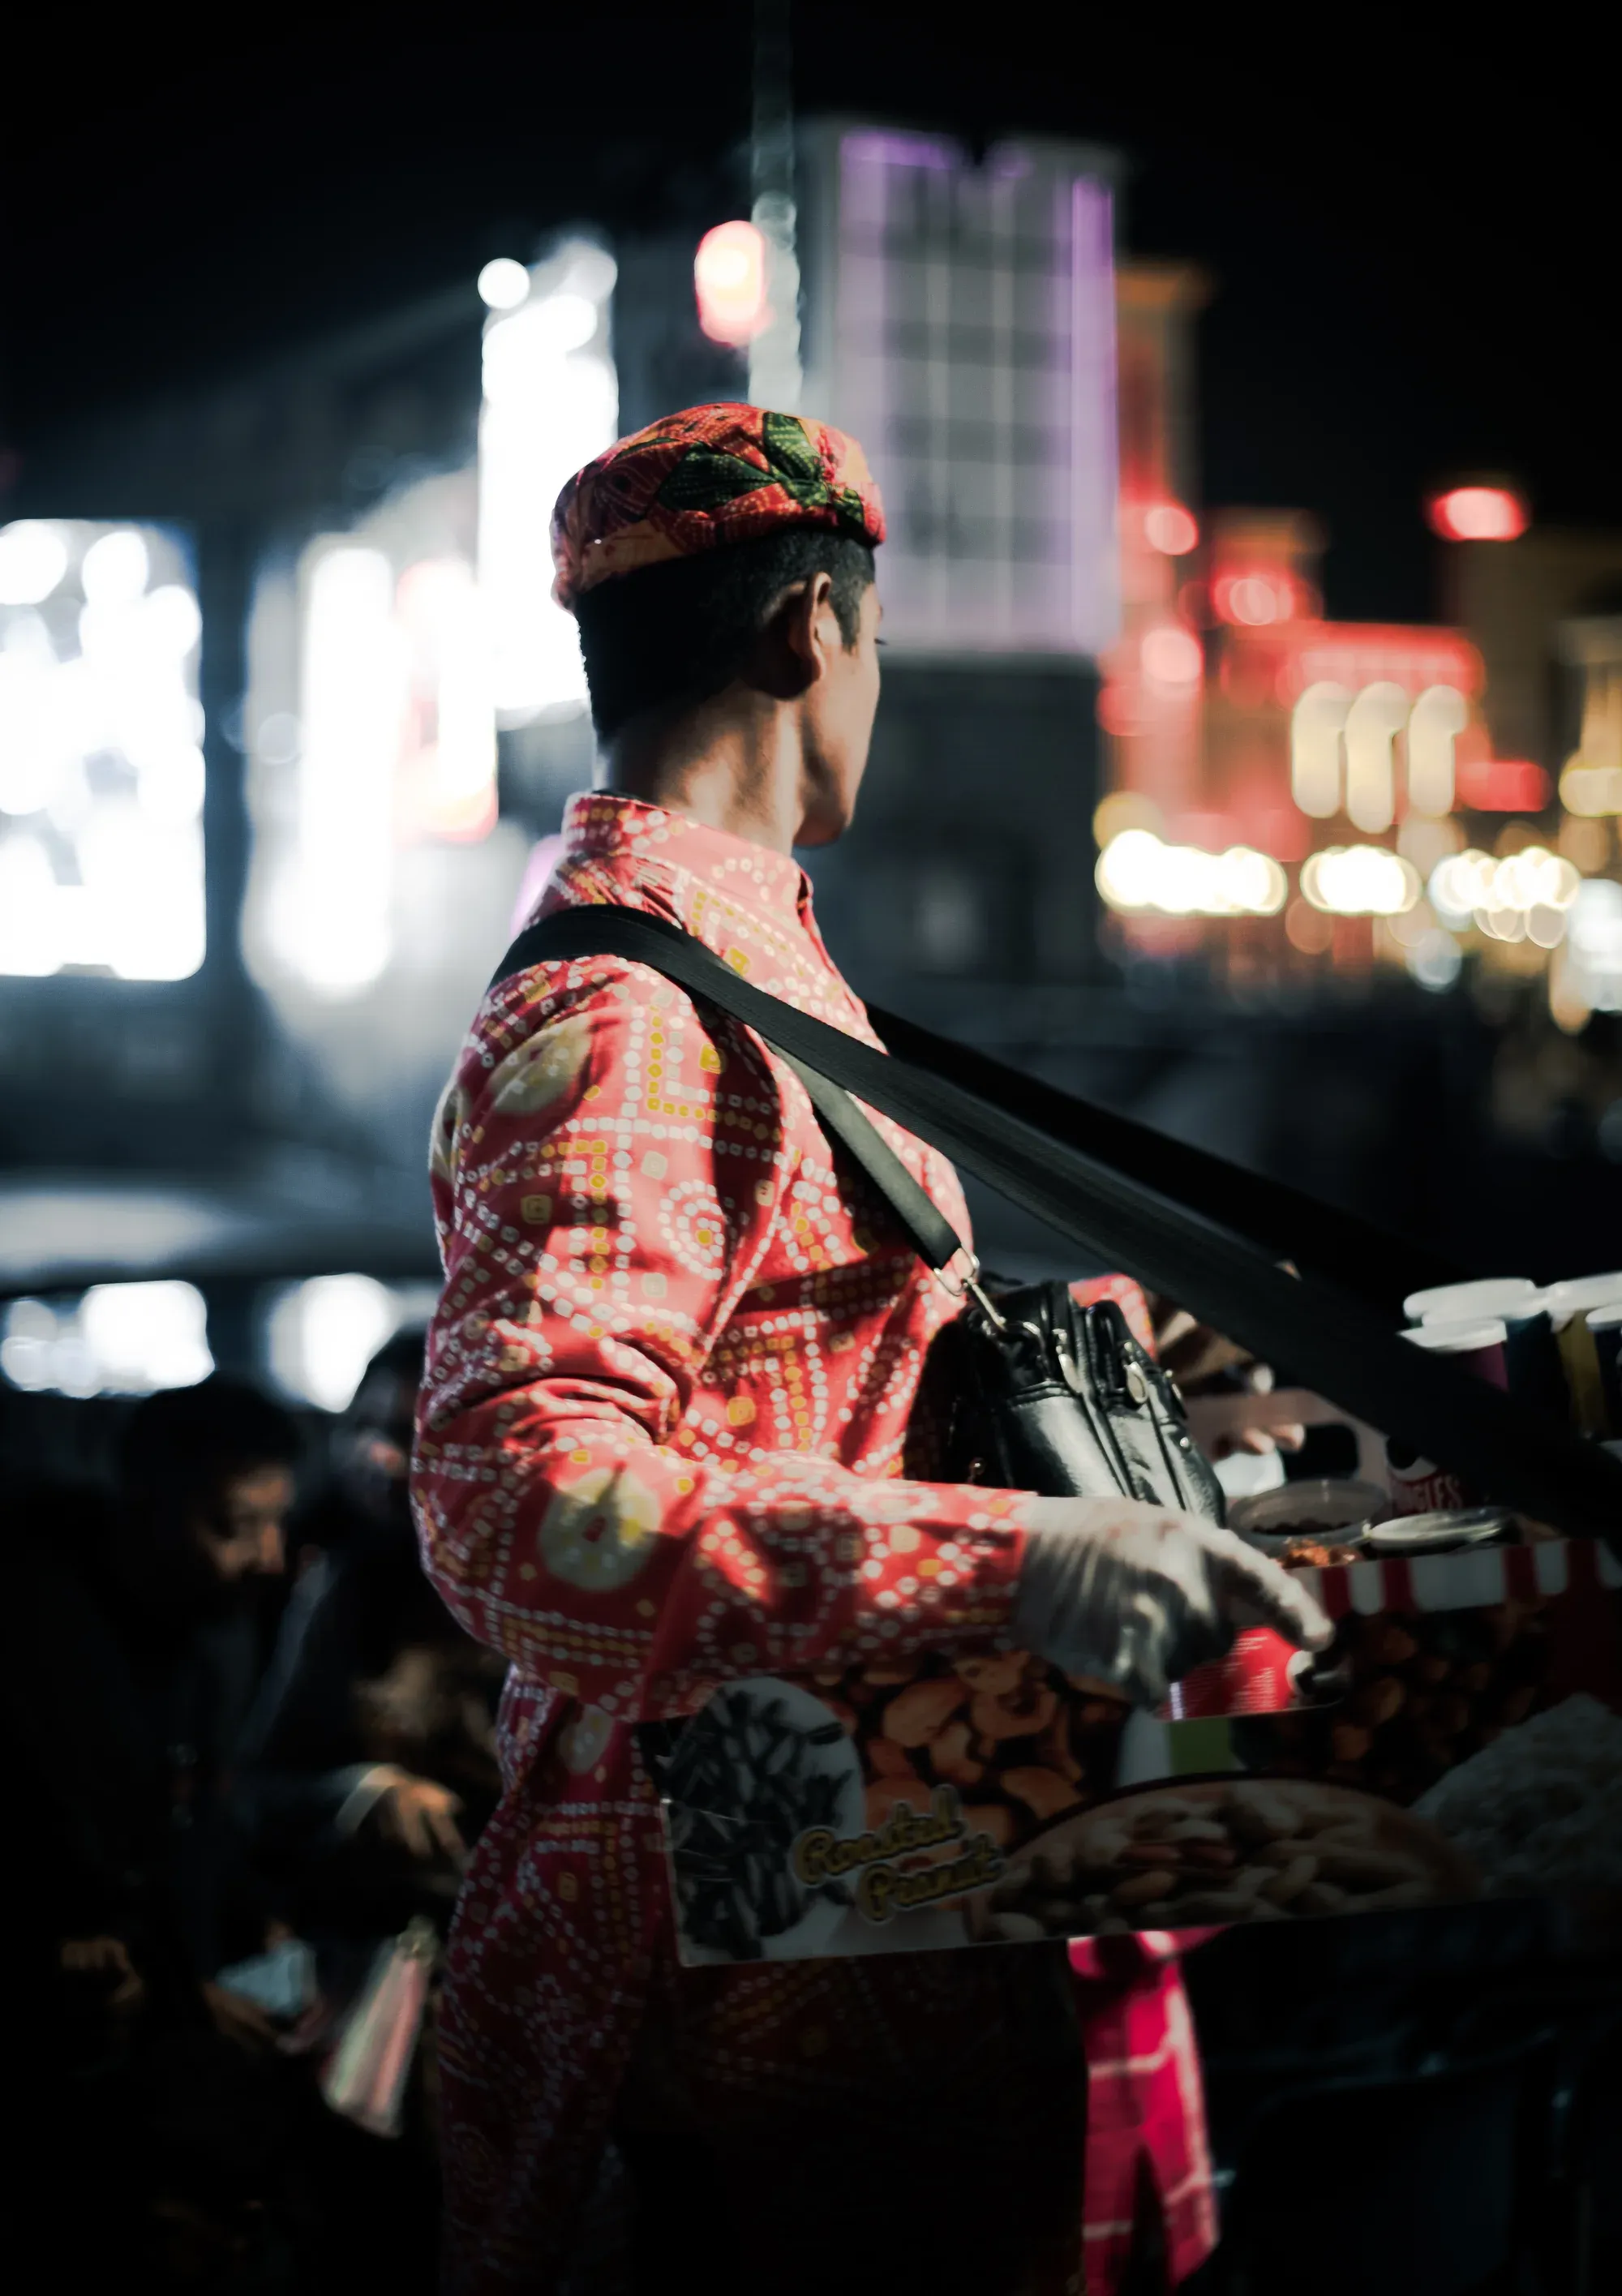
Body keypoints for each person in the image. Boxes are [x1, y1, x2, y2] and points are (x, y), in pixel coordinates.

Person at [411, 404, 1329, 2296]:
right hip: (756, 1995)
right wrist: (1028, 1558)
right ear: (809, 633)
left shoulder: (728, 954)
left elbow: (782, 1364)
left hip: (872, 1915)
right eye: (881, 646)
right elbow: (516, 1500)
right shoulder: (630, 1008)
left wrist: (1089, 1363)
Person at [2, 1375, 308, 2275]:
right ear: (139, 1507)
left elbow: (204, 1802)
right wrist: (172, 1988)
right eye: (234, 1526)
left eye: (273, 1523)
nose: (269, 1556)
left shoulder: (213, 1622)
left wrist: (256, 1917)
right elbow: (65, 1846)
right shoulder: (33, 1630)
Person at [238, 1329, 506, 1942]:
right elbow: (258, 1790)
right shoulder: (342, 1584)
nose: (381, 1457)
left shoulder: (550, 1593)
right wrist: (366, 1790)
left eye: (413, 1438)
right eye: (368, 1426)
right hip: (392, 1931)